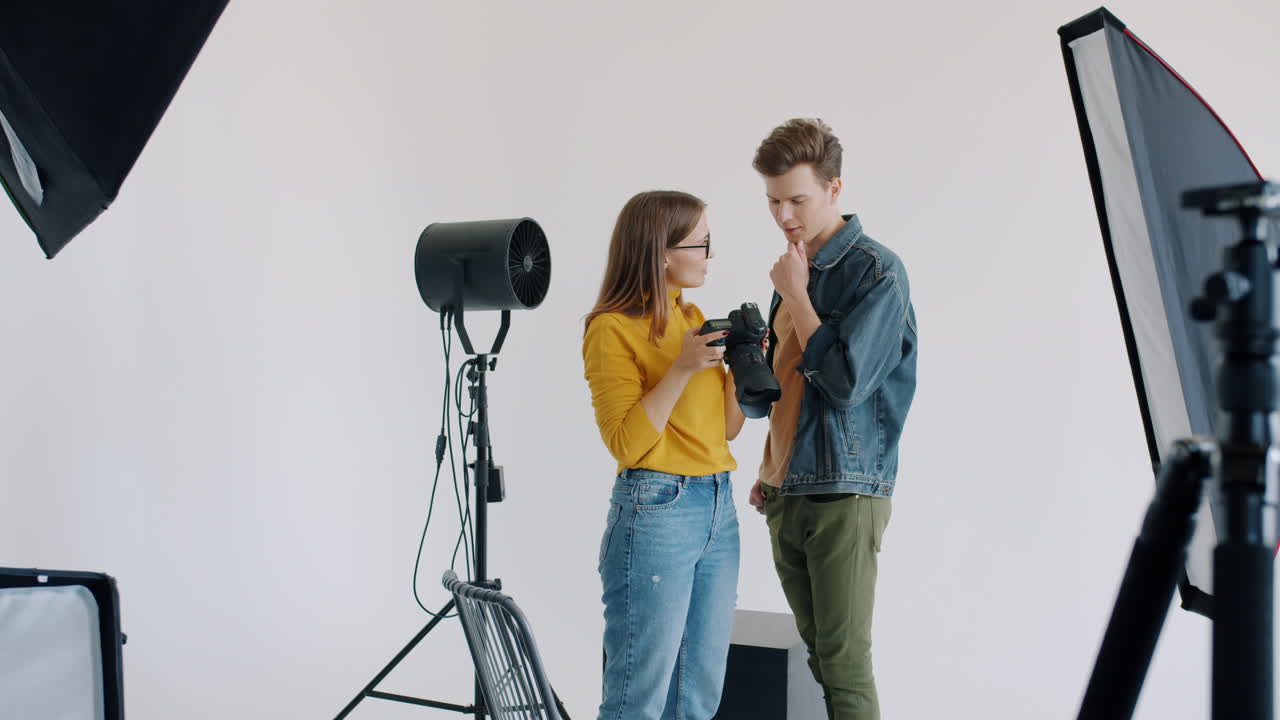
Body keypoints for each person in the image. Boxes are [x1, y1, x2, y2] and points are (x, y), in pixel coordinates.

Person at [748, 118, 918, 720]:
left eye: (797, 199)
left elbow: (846, 385)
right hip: (787, 490)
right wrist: (774, 464)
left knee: (844, 666)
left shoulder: (876, 272)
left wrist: (796, 296)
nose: (784, 214)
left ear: (834, 188)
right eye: (772, 201)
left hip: (845, 494)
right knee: (820, 658)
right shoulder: (792, 269)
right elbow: (790, 383)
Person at [583, 189, 744, 720]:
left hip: (717, 506)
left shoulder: (693, 317)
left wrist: (743, 371)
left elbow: (725, 429)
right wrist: (680, 367)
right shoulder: (610, 327)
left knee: (698, 694)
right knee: (638, 696)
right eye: (701, 243)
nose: (709, 255)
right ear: (660, 253)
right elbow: (627, 443)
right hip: (656, 509)